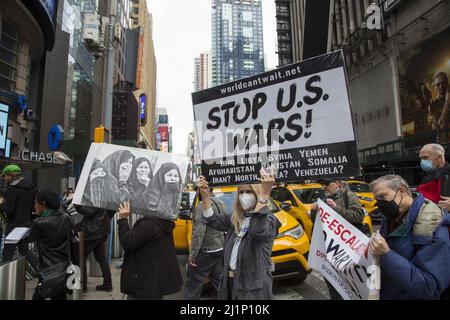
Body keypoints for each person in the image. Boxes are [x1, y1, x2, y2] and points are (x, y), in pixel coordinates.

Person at [199, 169, 280, 300]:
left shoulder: (268, 220)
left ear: (257, 193)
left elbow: (256, 230)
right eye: (241, 192)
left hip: (252, 289)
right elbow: (211, 219)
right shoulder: (236, 218)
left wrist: (264, 194)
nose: (244, 196)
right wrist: (205, 195)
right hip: (230, 283)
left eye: (249, 192)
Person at [369, 175, 450, 300]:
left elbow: (431, 287)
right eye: (376, 199)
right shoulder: (390, 218)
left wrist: (387, 254)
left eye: (382, 197)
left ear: (401, 191)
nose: (379, 204)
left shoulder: (432, 227)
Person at [310, 178, 365, 300]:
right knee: (332, 283)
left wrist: (336, 208)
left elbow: (358, 217)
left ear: (338, 184)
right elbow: (317, 222)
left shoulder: (349, 196)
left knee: (349, 283)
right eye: (322, 184)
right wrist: (313, 211)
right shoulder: (323, 199)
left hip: (346, 250)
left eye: (327, 184)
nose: (324, 187)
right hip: (330, 249)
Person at [117, 201, 182, 300]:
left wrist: (123, 219)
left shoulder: (148, 224)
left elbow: (128, 242)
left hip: (144, 282)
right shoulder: (163, 220)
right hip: (155, 280)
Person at [27, 190, 72, 300]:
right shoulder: (66, 218)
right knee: (59, 294)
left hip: (47, 269)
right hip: (63, 266)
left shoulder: (39, 223)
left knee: (40, 295)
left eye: (36, 203)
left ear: (43, 204)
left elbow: (29, 238)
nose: (35, 206)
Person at [184, 187, 225, 300]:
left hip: (206, 251)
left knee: (193, 286)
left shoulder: (202, 206)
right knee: (220, 285)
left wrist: (192, 255)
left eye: (197, 189)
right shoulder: (220, 202)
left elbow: (198, 233)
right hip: (219, 249)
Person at [0, 165, 38, 263]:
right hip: (26, 224)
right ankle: (41, 270)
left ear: (10, 175)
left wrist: (1, 205)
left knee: (7, 253)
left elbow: (9, 210)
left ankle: (3, 277)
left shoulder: (12, 188)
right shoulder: (31, 187)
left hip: (13, 225)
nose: (4, 179)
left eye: (5, 176)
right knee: (24, 250)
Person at [74, 205, 115, 292]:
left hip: (93, 231)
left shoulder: (97, 195)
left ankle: (83, 285)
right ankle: (108, 283)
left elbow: (90, 212)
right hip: (102, 229)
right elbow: (112, 211)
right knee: (101, 258)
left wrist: (77, 206)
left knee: (82, 256)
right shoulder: (107, 195)